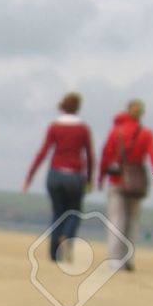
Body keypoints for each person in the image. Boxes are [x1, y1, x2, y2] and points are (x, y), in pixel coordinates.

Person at [97, 99, 153, 270]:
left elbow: (106, 155)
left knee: (117, 219)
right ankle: (127, 259)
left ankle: (115, 260)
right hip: (136, 181)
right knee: (132, 220)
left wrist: (100, 178)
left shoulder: (116, 131)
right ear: (141, 114)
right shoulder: (146, 134)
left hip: (117, 180)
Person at [23, 92, 94, 261]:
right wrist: (90, 179)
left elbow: (43, 152)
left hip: (55, 175)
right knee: (74, 212)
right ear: (78, 107)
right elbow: (90, 155)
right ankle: (67, 237)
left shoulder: (54, 127)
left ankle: (54, 254)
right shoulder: (83, 129)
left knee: (57, 213)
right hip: (75, 176)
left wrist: (29, 177)